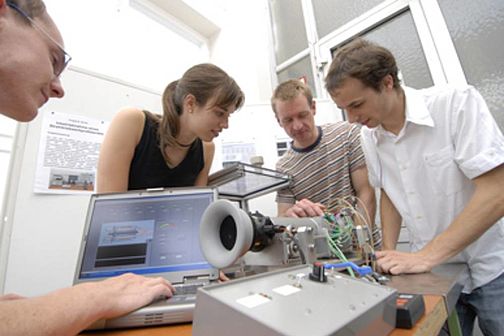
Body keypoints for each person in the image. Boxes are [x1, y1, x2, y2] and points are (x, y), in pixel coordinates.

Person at [0, 1, 175, 335]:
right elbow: (113, 211)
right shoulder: (133, 120)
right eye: (54, 60)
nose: (59, 87)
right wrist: (91, 297)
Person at [325, 38, 504, 335]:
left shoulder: (455, 103)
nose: (352, 119)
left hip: (492, 269)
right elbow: (389, 195)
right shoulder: (370, 137)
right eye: (344, 109)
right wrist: (387, 254)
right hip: (433, 276)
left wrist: (426, 255)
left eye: (356, 105)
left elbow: (497, 191)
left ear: (387, 83)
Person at [96, 63, 245, 193]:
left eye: (228, 116)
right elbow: (108, 207)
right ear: (190, 103)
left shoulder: (206, 149)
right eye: (219, 113)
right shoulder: (131, 122)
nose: (225, 125)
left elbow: (195, 211)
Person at [271, 79, 376, 229]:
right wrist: (290, 216)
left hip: (365, 246)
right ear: (278, 121)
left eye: (302, 115)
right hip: (321, 250)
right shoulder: (284, 168)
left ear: (313, 107)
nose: (297, 126)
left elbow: (366, 192)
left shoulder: (346, 135)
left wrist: (359, 243)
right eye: (288, 120)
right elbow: (283, 220)